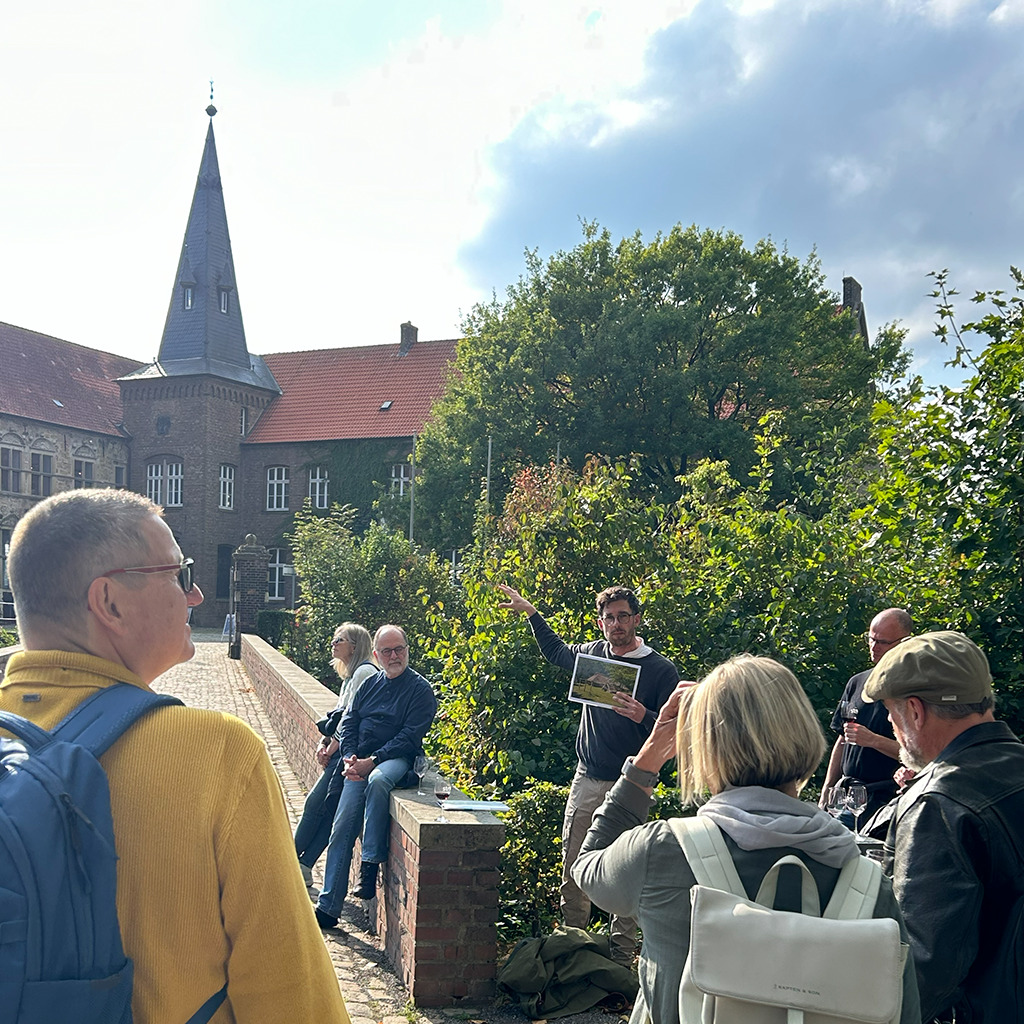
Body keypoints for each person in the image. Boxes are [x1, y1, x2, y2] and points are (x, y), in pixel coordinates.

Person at [0, 488, 349, 1024]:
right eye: (179, 574)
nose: (197, 595)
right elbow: (290, 996)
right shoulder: (218, 755)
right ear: (109, 601)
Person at [572, 655, 920, 1024]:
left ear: (706, 746)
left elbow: (587, 866)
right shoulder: (870, 888)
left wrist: (646, 760)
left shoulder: (663, 850)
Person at [498, 583, 679, 964]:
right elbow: (556, 653)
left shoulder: (660, 669)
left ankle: (620, 960)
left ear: (637, 619)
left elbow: (675, 730)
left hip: (632, 784)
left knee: (627, 870)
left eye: (623, 616)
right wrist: (532, 613)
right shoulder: (594, 655)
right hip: (587, 777)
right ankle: (572, 950)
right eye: (609, 618)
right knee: (574, 865)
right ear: (601, 623)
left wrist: (641, 715)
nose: (616, 624)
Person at [863, 630, 1024, 1023]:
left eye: (891, 712)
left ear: (915, 711)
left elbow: (919, 970)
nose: (890, 724)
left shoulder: (937, 804)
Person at [315, 624, 437, 930]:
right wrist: (350, 758)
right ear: (376, 654)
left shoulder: (420, 690)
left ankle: (370, 865)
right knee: (341, 827)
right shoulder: (369, 684)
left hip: (395, 759)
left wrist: (374, 760)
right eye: (387, 651)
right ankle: (329, 906)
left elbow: (410, 736)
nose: (394, 656)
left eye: (400, 649)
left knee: (380, 779)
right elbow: (349, 722)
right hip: (359, 762)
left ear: (408, 650)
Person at [294, 622, 376, 891]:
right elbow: (337, 715)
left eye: (338, 639)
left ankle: (290, 862)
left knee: (315, 805)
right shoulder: (351, 675)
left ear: (355, 646)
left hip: (351, 754)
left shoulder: (364, 672)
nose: (333, 644)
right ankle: (302, 867)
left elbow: (352, 719)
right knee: (326, 810)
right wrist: (323, 741)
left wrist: (331, 748)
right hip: (341, 749)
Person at [819, 608, 913, 823]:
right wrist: (827, 788)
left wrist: (873, 740)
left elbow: (922, 755)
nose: (874, 647)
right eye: (870, 639)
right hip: (845, 797)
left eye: (882, 642)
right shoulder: (857, 682)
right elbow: (842, 739)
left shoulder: (913, 689)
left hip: (886, 801)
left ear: (904, 642)